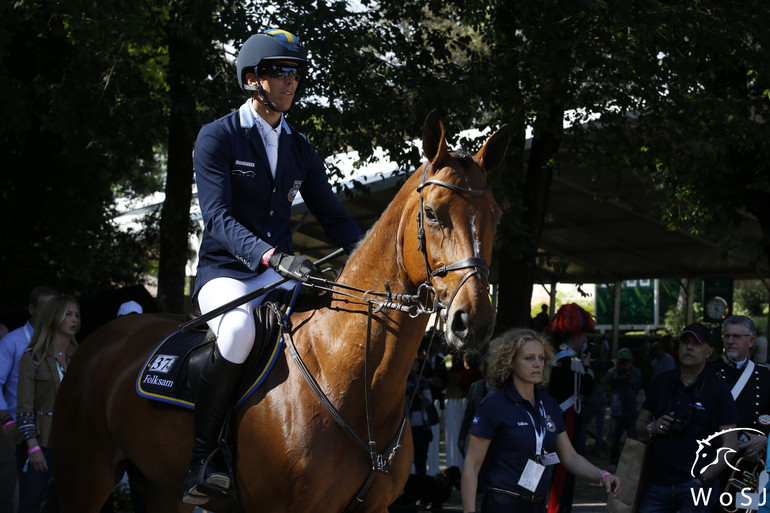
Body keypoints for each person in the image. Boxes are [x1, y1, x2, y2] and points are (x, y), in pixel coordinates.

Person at [184, 28, 363, 505]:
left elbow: (333, 217)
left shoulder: (300, 147)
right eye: (280, 72)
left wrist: (371, 253)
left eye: (295, 74)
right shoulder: (217, 136)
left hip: (276, 273)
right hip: (225, 273)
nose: (291, 82)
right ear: (252, 79)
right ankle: (203, 457)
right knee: (240, 330)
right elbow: (217, 218)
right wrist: (271, 256)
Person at [461, 328, 621, 513]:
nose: (537, 364)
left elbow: (570, 456)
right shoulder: (493, 406)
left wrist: (603, 475)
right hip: (502, 502)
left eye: (541, 358)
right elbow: (472, 465)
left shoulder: (549, 404)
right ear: (510, 362)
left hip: (538, 503)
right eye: (529, 358)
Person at [635, 323, 739, 513]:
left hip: (698, 486)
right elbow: (640, 425)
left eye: (697, 343)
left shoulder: (718, 388)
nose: (689, 347)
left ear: (709, 352)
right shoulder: (662, 382)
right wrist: (653, 427)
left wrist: (703, 480)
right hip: (657, 483)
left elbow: (731, 444)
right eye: (685, 342)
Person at [16, 295, 80, 513]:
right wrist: (32, 448)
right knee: (33, 506)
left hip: (72, 446)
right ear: (54, 318)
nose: (74, 320)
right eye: (68, 314)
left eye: (76, 315)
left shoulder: (80, 357)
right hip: (41, 445)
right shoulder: (33, 358)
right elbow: (24, 408)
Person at [0, 286, 57, 513]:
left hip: (50, 429)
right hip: (14, 427)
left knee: (44, 494)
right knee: (7, 490)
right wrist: (6, 422)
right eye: (45, 309)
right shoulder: (11, 342)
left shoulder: (60, 343)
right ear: (31, 309)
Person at [710, 315, 770, 506]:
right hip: (709, 462)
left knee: (743, 510)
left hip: (746, 467)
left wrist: (766, 439)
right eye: (726, 336)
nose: (730, 341)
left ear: (751, 341)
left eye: (737, 336)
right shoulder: (707, 372)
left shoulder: (766, 376)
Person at [546, 303, 596, 513]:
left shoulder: (559, 358)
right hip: (566, 422)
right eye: (583, 334)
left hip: (559, 420)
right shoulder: (569, 362)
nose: (585, 339)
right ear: (575, 335)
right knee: (563, 474)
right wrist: (586, 368)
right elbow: (588, 387)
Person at [604, 347, 641, 469]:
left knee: (633, 438)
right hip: (617, 411)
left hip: (630, 411)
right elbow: (605, 381)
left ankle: (632, 463)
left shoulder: (634, 371)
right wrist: (615, 369)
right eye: (621, 361)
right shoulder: (614, 371)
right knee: (614, 438)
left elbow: (638, 384)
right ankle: (614, 461)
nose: (623, 363)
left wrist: (629, 373)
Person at [407, 357, 434, 475]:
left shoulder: (422, 381)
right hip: (406, 426)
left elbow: (428, 400)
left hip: (422, 425)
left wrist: (417, 400)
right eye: (415, 361)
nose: (417, 363)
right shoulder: (403, 380)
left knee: (421, 459)